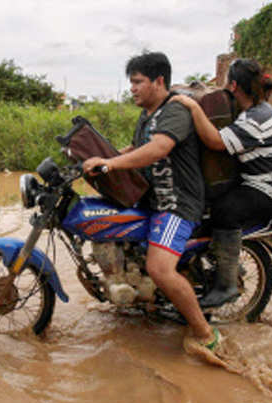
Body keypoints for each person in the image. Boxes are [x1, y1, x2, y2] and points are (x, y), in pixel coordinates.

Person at [83, 52, 221, 354]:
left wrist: (112, 164)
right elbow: (138, 147)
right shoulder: (148, 114)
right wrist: (105, 158)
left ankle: (206, 334)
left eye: (137, 82)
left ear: (159, 81)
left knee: (160, 269)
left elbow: (159, 148)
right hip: (151, 199)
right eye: (130, 82)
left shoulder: (174, 111)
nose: (132, 88)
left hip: (176, 204)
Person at [171, 58, 272, 308]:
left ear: (233, 86)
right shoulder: (248, 112)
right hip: (254, 182)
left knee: (226, 211)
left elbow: (216, 142)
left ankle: (227, 285)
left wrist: (192, 107)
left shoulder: (258, 116)